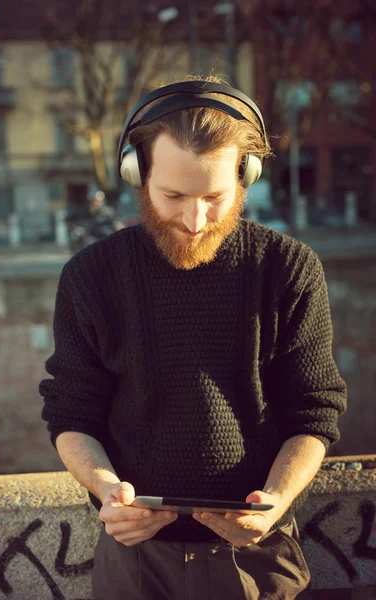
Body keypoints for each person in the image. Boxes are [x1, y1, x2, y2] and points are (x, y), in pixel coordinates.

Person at [39, 76, 347, 600]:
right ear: (137, 174)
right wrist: (106, 489)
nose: (196, 219)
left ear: (246, 176)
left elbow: (314, 414)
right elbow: (71, 416)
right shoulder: (90, 276)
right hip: (134, 558)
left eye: (215, 197)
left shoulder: (289, 269)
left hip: (255, 556)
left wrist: (274, 500)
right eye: (174, 195)